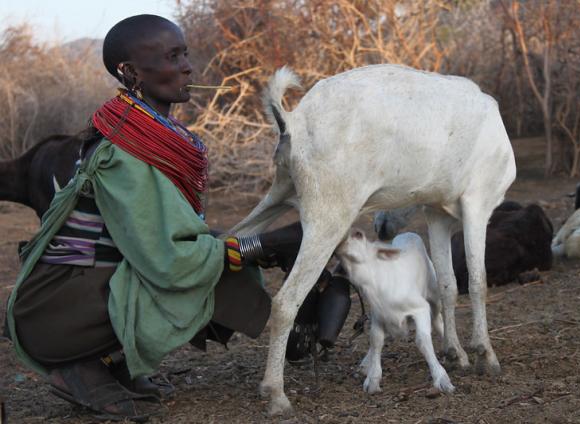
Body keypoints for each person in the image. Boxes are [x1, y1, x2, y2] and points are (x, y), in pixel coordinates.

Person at [4, 15, 350, 422]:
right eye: (172, 57)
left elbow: (180, 236)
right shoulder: (124, 155)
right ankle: (82, 366)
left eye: (185, 53)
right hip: (54, 314)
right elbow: (169, 261)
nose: (187, 66)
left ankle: (113, 361)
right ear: (130, 72)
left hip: (79, 295)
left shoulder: (149, 134)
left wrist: (260, 247)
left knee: (224, 256)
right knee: (207, 265)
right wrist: (272, 243)